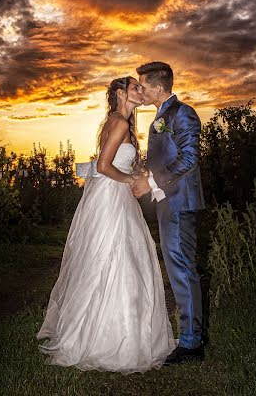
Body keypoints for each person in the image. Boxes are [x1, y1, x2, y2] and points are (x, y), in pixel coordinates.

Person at [36, 76, 176, 374]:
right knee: (116, 257)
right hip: (112, 197)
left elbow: (115, 162)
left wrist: (140, 171)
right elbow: (102, 166)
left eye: (142, 87)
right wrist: (131, 181)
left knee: (116, 258)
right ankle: (109, 338)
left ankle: (113, 331)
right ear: (119, 93)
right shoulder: (120, 122)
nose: (141, 91)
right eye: (135, 87)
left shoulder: (118, 122)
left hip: (113, 194)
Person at [132, 61, 205, 365]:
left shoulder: (182, 113)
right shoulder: (159, 118)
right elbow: (164, 157)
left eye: (143, 85)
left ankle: (191, 344)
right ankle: (192, 334)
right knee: (178, 269)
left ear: (158, 87)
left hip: (179, 203)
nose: (140, 90)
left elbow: (190, 158)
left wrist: (150, 182)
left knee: (181, 270)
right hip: (168, 202)